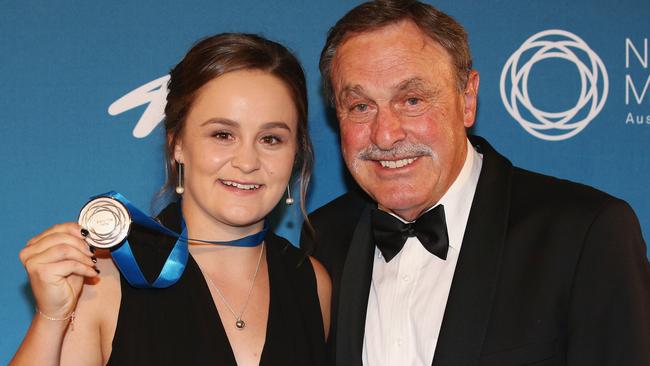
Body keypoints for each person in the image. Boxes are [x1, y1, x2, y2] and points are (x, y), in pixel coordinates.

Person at [300, 1, 650, 365]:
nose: (385, 134)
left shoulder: (584, 234)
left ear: (467, 99)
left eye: (412, 100)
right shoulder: (325, 238)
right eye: (360, 106)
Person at [13, 33, 330, 366]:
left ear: (296, 152)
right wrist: (52, 317)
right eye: (223, 134)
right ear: (177, 142)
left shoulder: (311, 283)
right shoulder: (103, 276)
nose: (247, 162)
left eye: (271, 138)